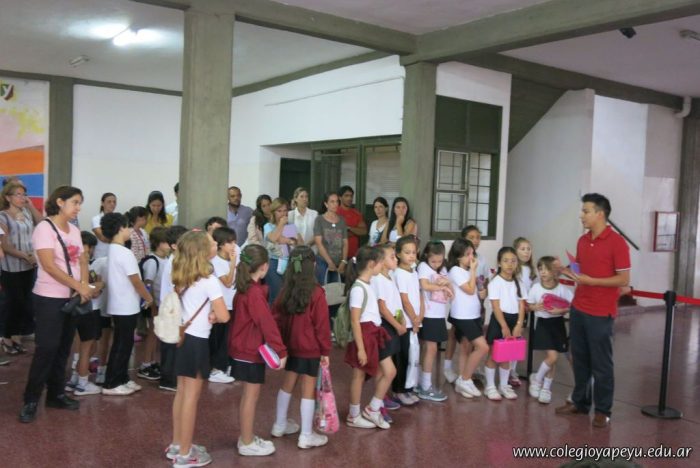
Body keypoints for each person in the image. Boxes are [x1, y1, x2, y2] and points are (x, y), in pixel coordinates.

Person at [556, 193, 630, 428]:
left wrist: (593, 281)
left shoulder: (617, 242)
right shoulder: (582, 240)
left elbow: (623, 279)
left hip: (600, 312)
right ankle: (580, 402)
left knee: (601, 364)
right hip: (579, 307)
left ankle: (603, 410)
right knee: (579, 359)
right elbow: (580, 270)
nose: (582, 215)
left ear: (600, 213)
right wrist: (565, 270)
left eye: (586, 211)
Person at [20, 186, 92, 423]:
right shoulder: (44, 228)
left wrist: (83, 285)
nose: (78, 207)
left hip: (71, 297)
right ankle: (31, 399)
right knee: (47, 348)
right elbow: (49, 265)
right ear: (60, 202)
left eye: (80, 203)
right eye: (75, 202)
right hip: (49, 297)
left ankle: (56, 394)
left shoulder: (74, 230)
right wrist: (78, 285)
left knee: (63, 347)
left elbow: (82, 260)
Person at [167, 231, 230, 467]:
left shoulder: (181, 274)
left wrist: (211, 314)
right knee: (191, 399)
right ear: (203, 251)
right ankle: (185, 455)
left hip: (181, 338)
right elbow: (224, 315)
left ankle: (177, 444)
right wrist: (215, 314)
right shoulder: (209, 280)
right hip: (197, 341)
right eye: (212, 243)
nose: (215, 244)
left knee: (181, 393)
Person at [228, 244, 287, 457]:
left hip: (243, 348)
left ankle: (247, 436)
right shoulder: (254, 293)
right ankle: (246, 442)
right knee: (251, 397)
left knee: (248, 396)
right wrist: (281, 351)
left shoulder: (245, 289)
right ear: (264, 267)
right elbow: (266, 323)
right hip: (250, 350)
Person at [271, 245, 332, 449]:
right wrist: (325, 350)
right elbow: (322, 325)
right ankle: (306, 435)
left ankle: (279, 424)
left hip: (290, 346)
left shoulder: (285, 290)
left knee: (287, 384)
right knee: (308, 389)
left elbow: (276, 318)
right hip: (310, 348)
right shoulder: (317, 293)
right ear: (313, 265)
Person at [100, 212, 153, 396]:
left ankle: (122, 378)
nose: (131, 230)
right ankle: (111, 383)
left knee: (125, 343)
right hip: (124, 305)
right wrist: (148, 297)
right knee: (122, 345)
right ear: (120, 228)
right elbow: (136, 281)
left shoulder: (113, 249)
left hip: (122, 304)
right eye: (128, 226)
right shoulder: (124, 252)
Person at [345, 245, 395, 429]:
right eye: (381, 262)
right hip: (365, 335)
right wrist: (360, 349)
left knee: (390, 371)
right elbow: (355, 321)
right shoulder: (358, 289)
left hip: (375, 333)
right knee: (358, 376)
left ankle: (373, 409)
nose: (383, 266)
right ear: (372, 264)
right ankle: (353, 415)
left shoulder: (369, 284)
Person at [0, 181, 40, 354]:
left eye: (24, 194)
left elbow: (42, 223)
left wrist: (30, 206)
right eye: (18, 194)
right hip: (11, 267)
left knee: (24, 303)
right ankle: (6, 338)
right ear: (8, 197)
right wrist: (25, 256)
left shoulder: (26, 213)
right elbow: (5, 245)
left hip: (28, 266)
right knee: (13, 303)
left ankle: (16, 338)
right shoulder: (3, 216)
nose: (22, 197)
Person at [527, 256, 573, 404]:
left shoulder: (562, 289)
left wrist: (561, 310)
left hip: (558, 324)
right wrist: (535, 307)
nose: (543, 272)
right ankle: (537, 380)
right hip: (543, 324)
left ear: (555, 272)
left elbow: (573, 305)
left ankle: (546, 388)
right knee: (552, 356)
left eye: (547, 269)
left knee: (552, 359)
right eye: (540, 269)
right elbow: (528, 306)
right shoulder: (536, 288)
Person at [64, 231, 104, 397]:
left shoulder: (73, 264)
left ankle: (74, 379)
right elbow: (88, 290)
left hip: (81, 310)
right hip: (85, 310)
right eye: (88, 248)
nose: (89, 252)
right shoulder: (80, 264)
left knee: (82, 348)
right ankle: (82, 382)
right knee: (87, 348)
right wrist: (99, 285)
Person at [483, 247, 526, 401]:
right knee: (494, 353)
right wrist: (504, 326)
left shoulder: (519, 282)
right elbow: (496, 306)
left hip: (514, 320)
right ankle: (490, 386)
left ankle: (503, 385)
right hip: (499, 319)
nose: (510, 264)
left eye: (513, 261)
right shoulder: (495, 282)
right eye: (506, 261)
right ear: (499, 263)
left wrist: (519, 324)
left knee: (507, 355)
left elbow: (522, 305)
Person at [447, 238, 487, 399]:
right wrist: (473, 271)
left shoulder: (468, 271)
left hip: (473, 314)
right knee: (483, 347)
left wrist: (482, 291)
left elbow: (475, 291)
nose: (471, 257)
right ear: (458, 257)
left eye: (472, 253)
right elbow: (469, 290)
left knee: (466, 347)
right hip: (463, 316)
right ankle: (465, 379)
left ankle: (462, 382)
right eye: (467, 254)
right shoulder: (455, 270)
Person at [370, 242, 406, 416]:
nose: (396, 259)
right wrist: (398, 325)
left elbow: (394, 303)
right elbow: (383, 308)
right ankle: (377, 404)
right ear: (381, 261)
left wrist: (401, 319)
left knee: (383, 368)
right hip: (386, 326)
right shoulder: (378, 279)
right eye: (392, 257)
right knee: (386, 369)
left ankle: (382, 397)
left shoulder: (390, 277)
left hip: (393, 325)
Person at [415, 241, 453, 401]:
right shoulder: (423, 266)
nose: (436, 264)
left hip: (438, 314)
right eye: (433, 261)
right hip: (428, 314)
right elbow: (424, 285)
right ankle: (425, 386)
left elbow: (450, 288)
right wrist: (442, 287)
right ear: (426, 256)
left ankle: (419, 382)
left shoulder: (443, 268)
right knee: (431, 348)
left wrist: (448, 284)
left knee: (429, 348)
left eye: (439, 261)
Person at [391, 235, 423, 406]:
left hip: (415, 322)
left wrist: (419, 317)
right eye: (407, 252)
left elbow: (419, 295)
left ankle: (408, 387)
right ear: (398, 254)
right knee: (402, 357)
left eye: (413, 252)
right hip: (406, 323)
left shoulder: (414, 271)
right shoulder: (399, 273)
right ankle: (398, 390)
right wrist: (414, 320)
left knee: (412, 356)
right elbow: (405, 300)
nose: (411, 256)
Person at [136, 227, 170, 381]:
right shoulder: (152, 261)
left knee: (156, 334)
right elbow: (147, 284)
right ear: (158, 243)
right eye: (166, 242)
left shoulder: (166, 260)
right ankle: (145, 364)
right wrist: (153, 306)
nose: (169, 245)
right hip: (153, 305)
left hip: (161, 303)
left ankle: (151, 361)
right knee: (152, 334)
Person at [158, 225, 189, 392]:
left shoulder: (177, 259)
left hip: (172, 307)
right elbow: (178, 287)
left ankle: (170, 377)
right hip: (171, 308)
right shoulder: (175, 261)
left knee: (173, 343)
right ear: (174, 246)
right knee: (170, 344)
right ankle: (168, 380)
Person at [208, 226, 238, 384]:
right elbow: (227, 282)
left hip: (232, 303)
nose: (233, 245)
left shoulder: (233, 257)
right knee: (218, 338)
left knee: (228, 338)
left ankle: (224, 365)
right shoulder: (216, 262)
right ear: (220, 244)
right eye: (229, 242)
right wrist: (232, 265)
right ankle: (215, 369)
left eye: (234, 242)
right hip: (221, 305)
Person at [510, 236, 537, 386]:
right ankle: (505, 369)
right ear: (515, 251)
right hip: (511, 308)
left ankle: (512, 370)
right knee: (508, 338)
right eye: (523, 249)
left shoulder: (531, 270)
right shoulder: (514, 269)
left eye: (528, 249)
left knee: (517, 338)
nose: (526, 252)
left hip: (523, 310)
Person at [264, 198, 301, 304]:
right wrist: (281, 224)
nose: (283, 214)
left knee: (289, 295)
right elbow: (273, 238)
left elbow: (297, 245)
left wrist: (298, 269)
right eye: (279, 211)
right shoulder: (268, 226)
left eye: (285, 211)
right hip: (273, 263)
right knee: (276, 295)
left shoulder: (291, 226)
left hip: (290, 262)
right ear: (273, 212)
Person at [313, 192, 348, 285]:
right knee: (323, 289)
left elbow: (345, 243)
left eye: (337, 201)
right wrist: (329, 262)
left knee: (336, 290)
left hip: (339, 262)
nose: (335, 204)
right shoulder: (319, 220)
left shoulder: (342, 220)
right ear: (326, 204)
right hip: (323, 262)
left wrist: (344, 261)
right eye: (332, 202)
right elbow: (319, 243)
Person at [336, 186, 367, 259]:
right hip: (336, 254)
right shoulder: (334, 212)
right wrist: (355, 231)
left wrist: (349, 228)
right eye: (346, 196)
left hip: (353, 255)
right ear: (340, 197)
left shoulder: (357, 214)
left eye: (351, 196)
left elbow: (364, 231)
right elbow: (335, 234)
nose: (349, 198)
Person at [287, 187, 318, 251]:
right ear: (295, 199)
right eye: (301, 196)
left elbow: (317, 233)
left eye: (306, 196)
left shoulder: (314, 214)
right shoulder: (290, 215)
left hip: (311, 251)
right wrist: (299, 246)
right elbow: (289, 234)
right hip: (295, 251)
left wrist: (307, 246)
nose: (305, 199)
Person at [92, 192, 117, 258]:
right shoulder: (96, 219)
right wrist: (119, 240)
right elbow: (103, 238)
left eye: (114, 202)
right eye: (109, 202)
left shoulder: (118, 219)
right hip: (101, 255)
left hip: (115, 254)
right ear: (102, 203)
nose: (112, 204)